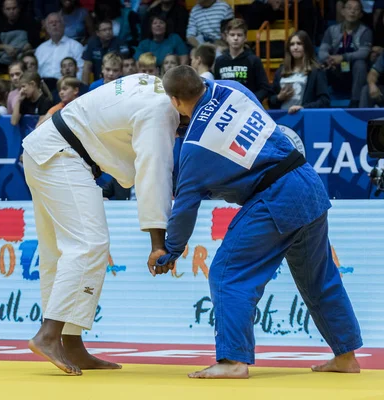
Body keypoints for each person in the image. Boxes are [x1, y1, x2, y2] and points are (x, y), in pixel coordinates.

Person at [153, 66, 363, 379]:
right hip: (307, 182)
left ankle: (233, 361)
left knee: (228, 272)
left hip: (276, 196)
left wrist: (170, 250)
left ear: (175, 101)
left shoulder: (194, 147)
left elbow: (185, 206)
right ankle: (345, 356)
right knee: (319, 278)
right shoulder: (233, 89)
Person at [21, 73, 180, 375]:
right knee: (89, 245)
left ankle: (72, 344)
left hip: (44, 149)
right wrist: (157, 243)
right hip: (62, 155)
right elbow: (153, 173)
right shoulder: (162, 110)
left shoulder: (152, 82)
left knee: (59, 252)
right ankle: (49, 334)